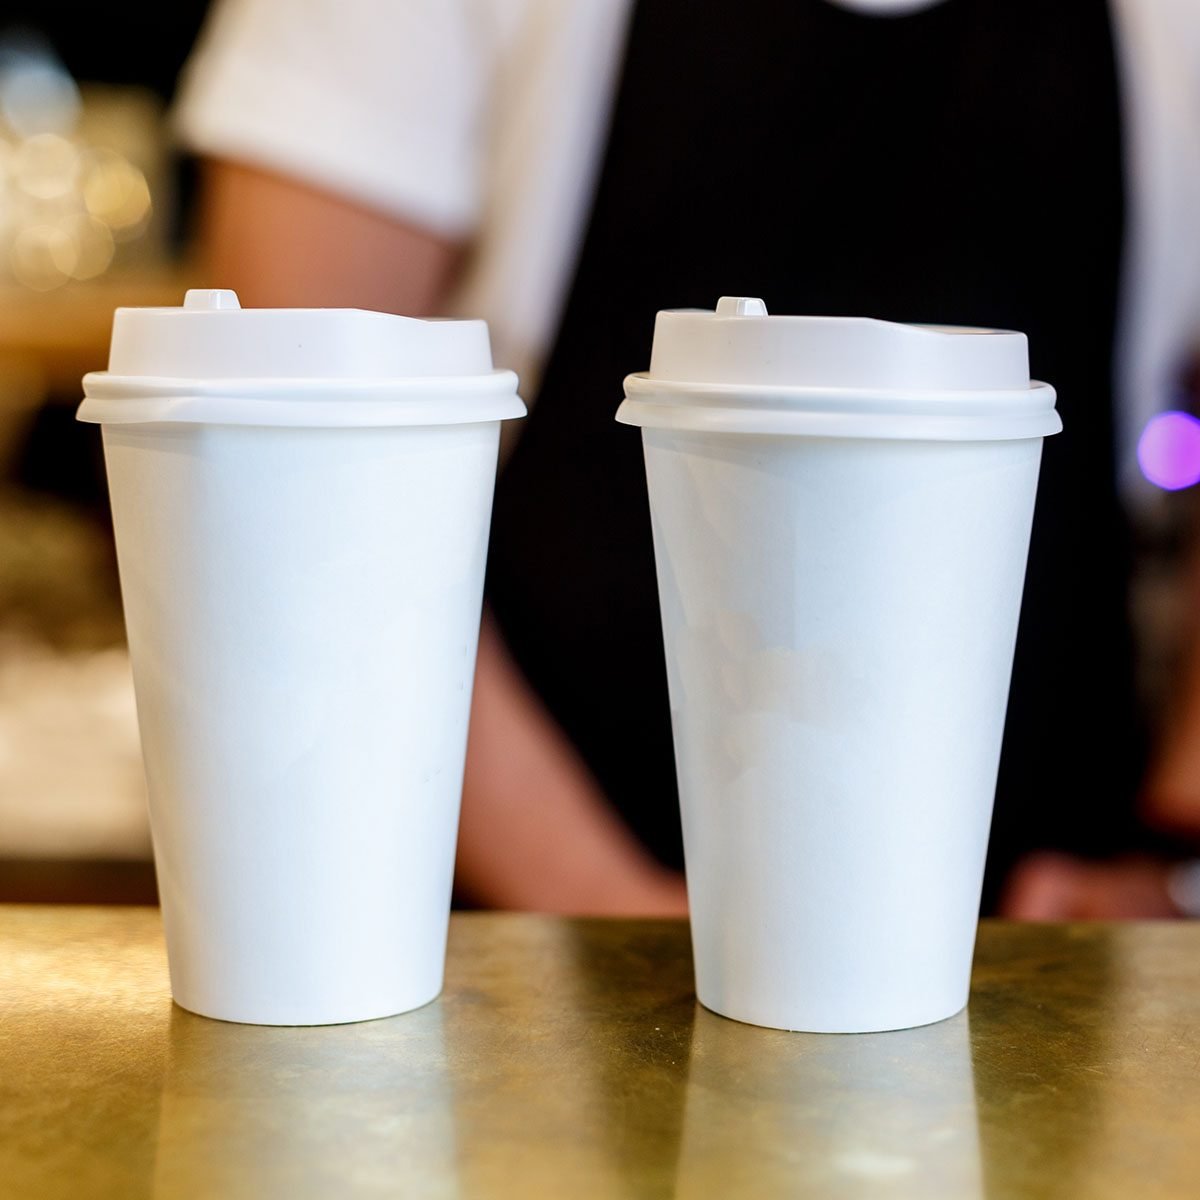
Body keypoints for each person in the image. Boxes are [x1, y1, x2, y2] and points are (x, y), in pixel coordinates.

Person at [174, 0, 1200, 917]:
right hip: (524, 954)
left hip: (1046, 942)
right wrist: (605, 914)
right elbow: (283, 476)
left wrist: (1174, 860)